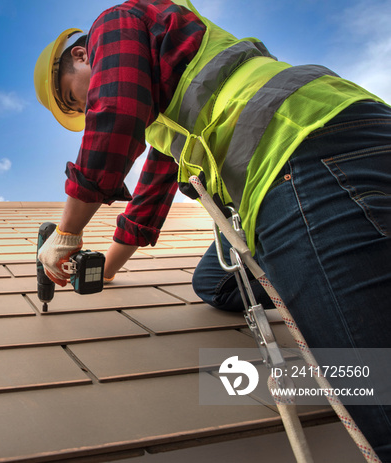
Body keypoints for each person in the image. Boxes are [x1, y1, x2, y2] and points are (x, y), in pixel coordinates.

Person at [33, 0, 391, 459]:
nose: (83, 107)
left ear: (81, 56)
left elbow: (116, 113)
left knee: (369, 382)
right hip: (339, 139)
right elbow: (149, 201)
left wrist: (67, 233)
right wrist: (106, 271)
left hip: (299, 154)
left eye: (73, 97)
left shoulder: (114, 21)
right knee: (215, 283)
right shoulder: (172, 110)